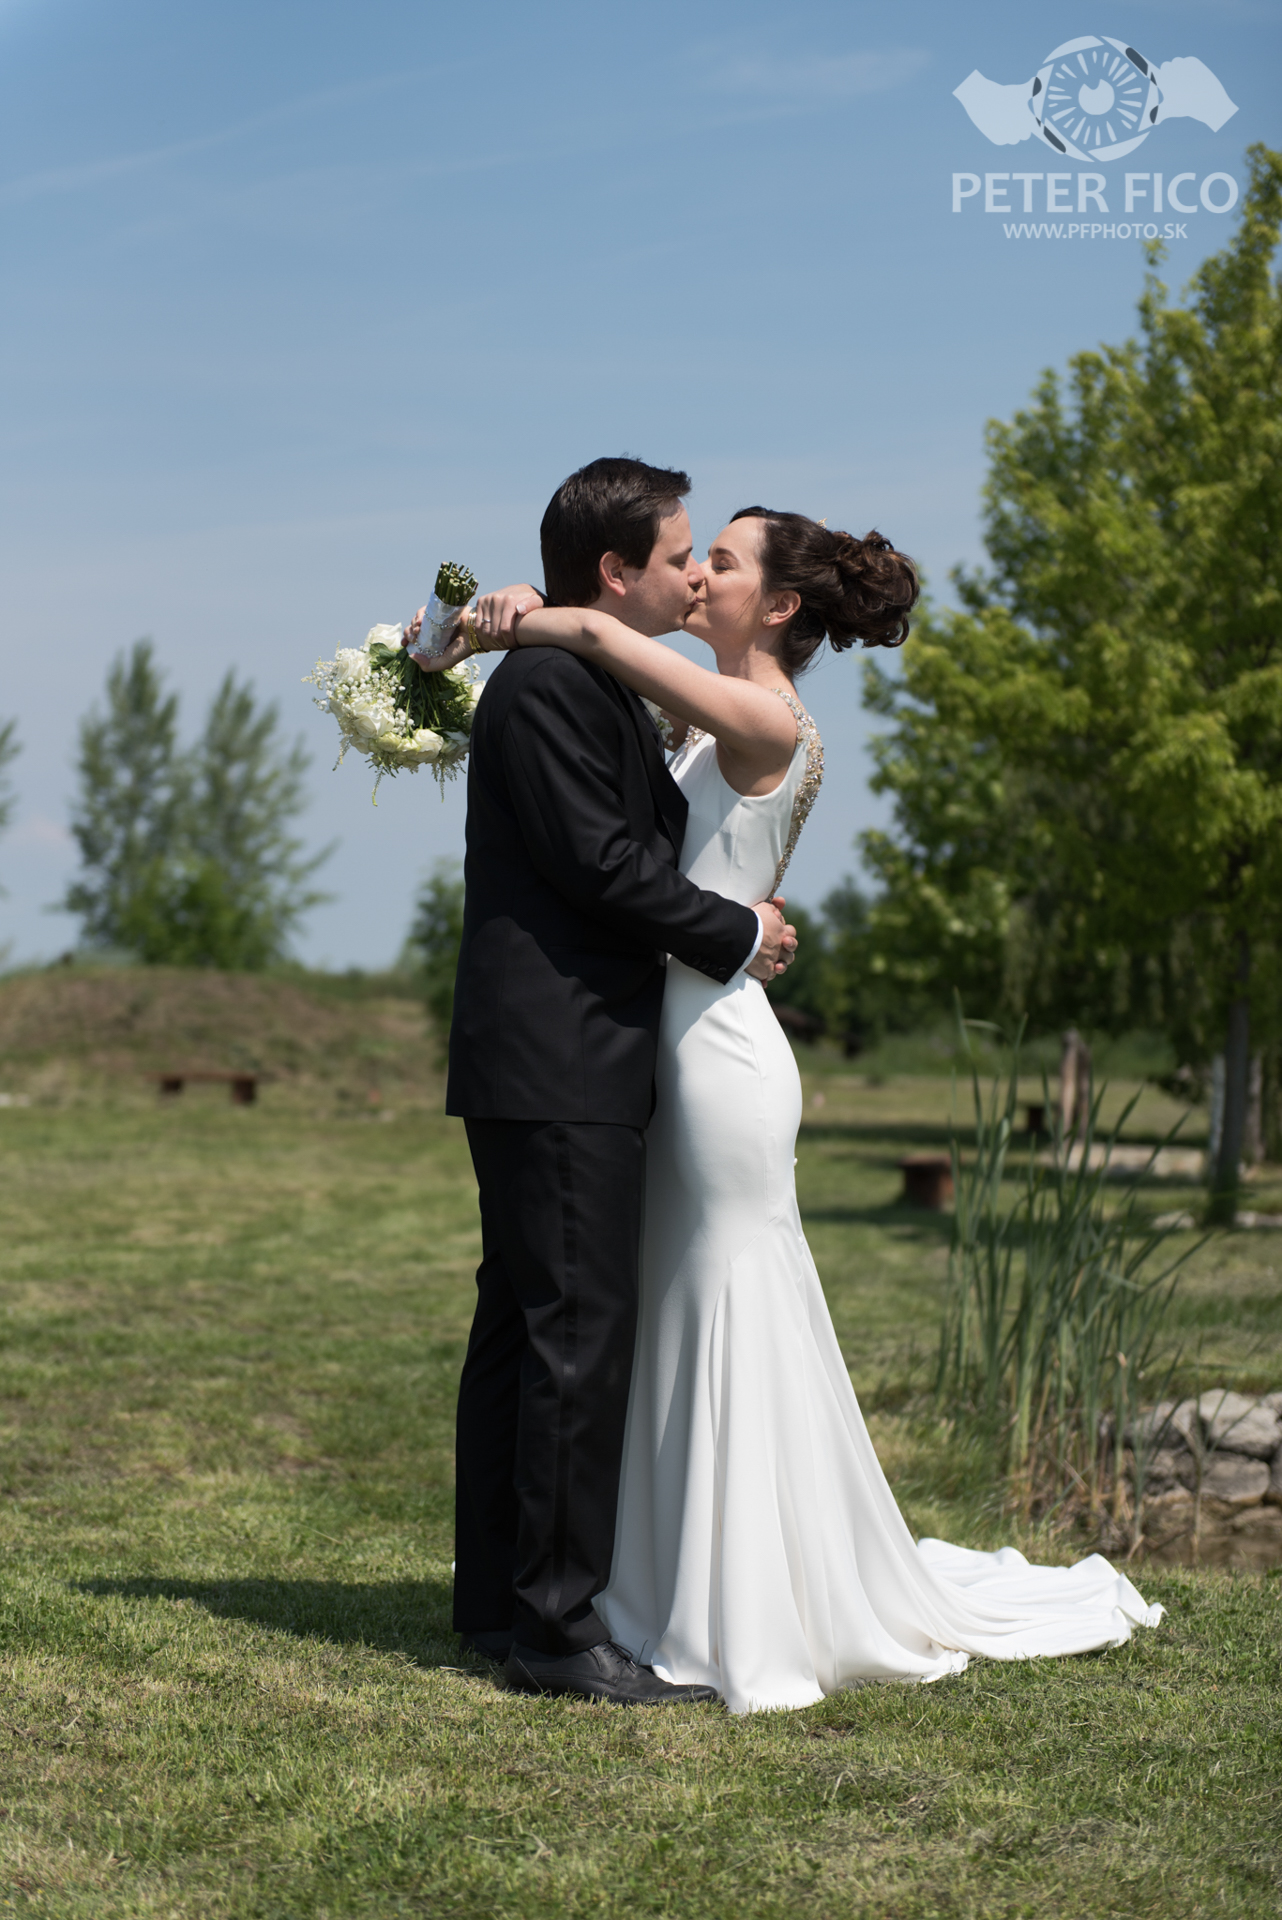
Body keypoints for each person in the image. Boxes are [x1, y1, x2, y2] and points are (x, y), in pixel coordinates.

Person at [425, 501, 1163, 1715]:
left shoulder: (766, 717)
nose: (699, 573)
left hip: (712, 1053)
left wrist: (523, 614)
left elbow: (609, 648)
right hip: (647, 1038)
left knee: (719, 1298)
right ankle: (635, 1582)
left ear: (776, 606)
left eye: (719, 559)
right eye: (691, 553)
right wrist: (510, 621)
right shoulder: (691, 713)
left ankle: (738, 1595)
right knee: (647, 1309)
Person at [414, 459, 797, 1707]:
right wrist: (739, 935)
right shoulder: (551, 687)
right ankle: (558, 1633)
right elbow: (601, 870)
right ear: (613, 572)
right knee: (572, 1337)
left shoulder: (587, 676)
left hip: (545, 1049)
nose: (694, 573)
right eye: (679, 555)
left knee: (524, 1326)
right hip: (563, 1048)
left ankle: (499, 1603)